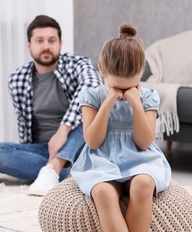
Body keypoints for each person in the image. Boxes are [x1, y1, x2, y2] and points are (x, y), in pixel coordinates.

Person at [70, 24, 172, 231]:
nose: (122, 94)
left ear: (141, 73)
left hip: (140, 159)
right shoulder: (92, 96)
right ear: (101, 71)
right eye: (115, 88)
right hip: (102, 161)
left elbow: (144, 142)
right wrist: (107, 104)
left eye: (129, 88)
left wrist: (136, 104)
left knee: (143, 184)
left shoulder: (148, 96)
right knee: (103, 193)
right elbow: (92, 141)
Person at [0, 15, 102, 196]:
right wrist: (30, 157)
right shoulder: (18, 79)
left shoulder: (78, 64)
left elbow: (93, 87)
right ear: (29, 45)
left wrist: (63, 130)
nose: (46, 46)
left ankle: (53, 169)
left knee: (89, 115)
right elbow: (23, 125)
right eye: (39, 41)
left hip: (79, 142)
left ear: (60, 43)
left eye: (51, 40)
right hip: (44, 148)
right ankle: (71, 174)